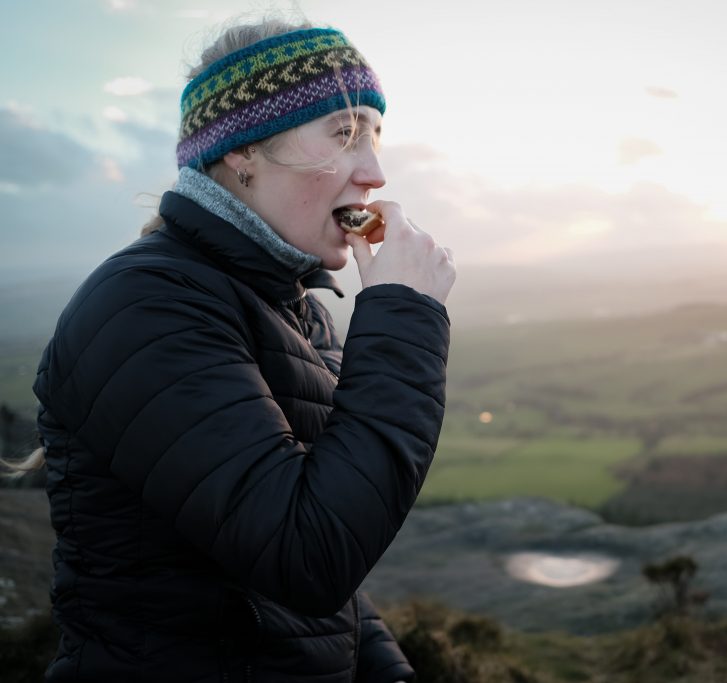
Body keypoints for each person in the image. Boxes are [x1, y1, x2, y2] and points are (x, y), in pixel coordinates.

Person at [29, 15, 455, 682]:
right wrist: (406, 318)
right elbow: (307, 555)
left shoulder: (297, 306)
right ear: (243, 153)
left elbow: (312, 595)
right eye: (343, 134)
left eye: (374, 136)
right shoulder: (146, 308)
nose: (374, 172)